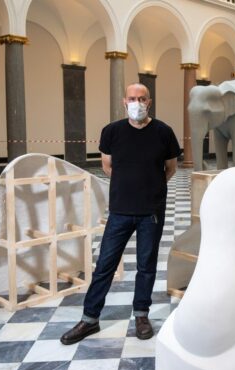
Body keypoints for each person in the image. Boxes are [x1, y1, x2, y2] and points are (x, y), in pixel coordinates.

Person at [60, 83, 181, 344]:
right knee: (104, 265)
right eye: (132, 98)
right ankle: (89, 319)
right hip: (120, 211)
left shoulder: (163, 132)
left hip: (151, 212)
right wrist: (130, 185)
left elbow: (170, 168)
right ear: (124, 102)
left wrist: (150, 187)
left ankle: (141, 314)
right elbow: (108, 166)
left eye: (142, 98)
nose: (137, 102)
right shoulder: (111, 131)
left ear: (149, 102)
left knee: (146, 266)